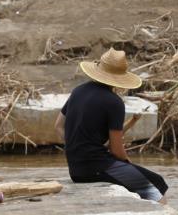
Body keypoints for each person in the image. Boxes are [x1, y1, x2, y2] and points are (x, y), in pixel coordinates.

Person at [55, 49, 168, 203]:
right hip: (96, 168)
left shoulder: (78, 91)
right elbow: (116, 150)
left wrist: (75, 148)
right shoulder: (114, 102)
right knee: (156, 184)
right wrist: (127, 162)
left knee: (146, 179)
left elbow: (58, 126)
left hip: (75, 169)